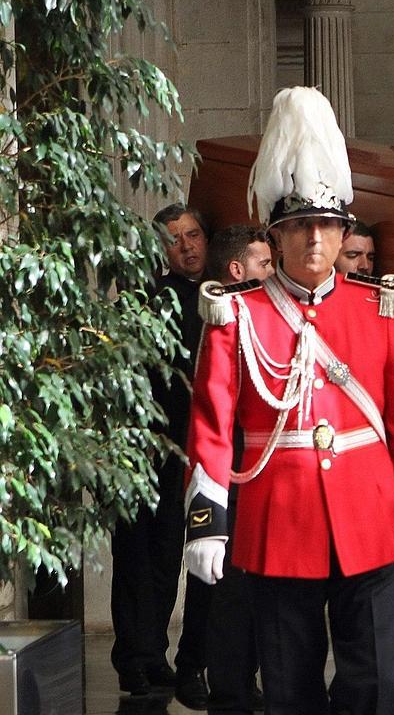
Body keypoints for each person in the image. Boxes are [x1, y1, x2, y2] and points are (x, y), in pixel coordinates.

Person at [181, 87, 394, 715]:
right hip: (279, 522)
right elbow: (213, 424)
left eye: (327, 226)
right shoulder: (236, 314)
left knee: (379, 683)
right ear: (276, 235)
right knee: (290, 687)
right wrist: (207, 522)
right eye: (299, 227)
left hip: (371, 517)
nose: (315, 241)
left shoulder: (378, 309)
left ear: (344, 230)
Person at [110, 204, 207, 699]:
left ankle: (154, 654)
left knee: (168, 553)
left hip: (184, 450)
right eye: (176, 239)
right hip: (142, 446)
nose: (188, 246)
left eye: (193, 235)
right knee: (137, 557)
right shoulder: (148, 298)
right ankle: (134, 659)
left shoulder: (212, 297)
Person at [200, 225, 274, 714]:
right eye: (264, 264)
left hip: (266, 481)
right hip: (236, 480)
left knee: (257, 601)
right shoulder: (226, 317)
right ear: (237, 269)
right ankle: (231, 693)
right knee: (231, 598)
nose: (272, 272)